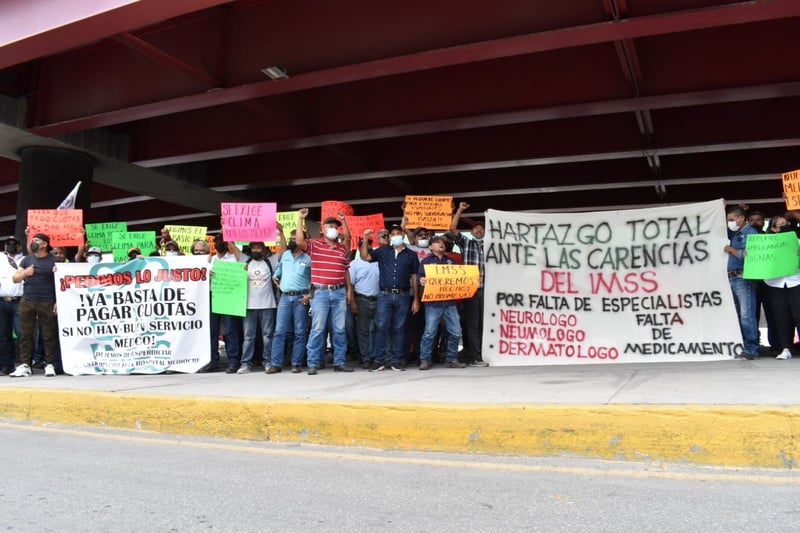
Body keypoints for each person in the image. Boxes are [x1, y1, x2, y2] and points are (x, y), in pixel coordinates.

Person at [296, 209, 355, 374]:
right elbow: (300, 240)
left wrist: (343, 221)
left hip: (339, 292)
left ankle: (339, 362)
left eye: (335, 226)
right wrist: (300, 219)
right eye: (330, 226)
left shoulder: (342, 249)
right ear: (322, 230)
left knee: (340, 329)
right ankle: (313, 363)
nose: (333, 228)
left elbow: (348, 241)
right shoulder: (314, 245)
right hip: (320, 292)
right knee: (318, 328)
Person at [360, 225, 420, 371]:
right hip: (384, 295)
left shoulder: (411, 255)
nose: (395, 236)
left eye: (398, 233)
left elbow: (414, 278)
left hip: (404, 295)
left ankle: (396, 360)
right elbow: (365, 256)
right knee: (381, 327)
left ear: (403, 235)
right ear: (390, 237)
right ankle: (379, 360)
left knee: (399, 328)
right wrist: (366, 238)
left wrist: (416, 299)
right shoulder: (382, 251)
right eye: (392, 234)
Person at [9, 233, 61, 377]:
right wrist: (26, 272)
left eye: (37, 240)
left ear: (45, 244)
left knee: (48, 334)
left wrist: (58, 301)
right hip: (28, 301)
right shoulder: (27, 260)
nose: (34, 242)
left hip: (47, 301)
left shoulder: (54, 261)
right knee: (25, 334)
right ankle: (25, 364)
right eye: (33, 240)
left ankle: (50, 363)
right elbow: (15, 278)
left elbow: (61, 283)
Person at [446, 201, 488, 366]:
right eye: (475, 229)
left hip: (489, 289)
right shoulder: (466, 243)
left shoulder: (493, 245)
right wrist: (459, 211)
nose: (478, 230)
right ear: (471, 232)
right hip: (472, 289)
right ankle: (475, 356)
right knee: (472, 324)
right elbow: (452, 229)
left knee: (486, 323)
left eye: (482, 228)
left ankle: (486, 353)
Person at [266, 230, 312, 374]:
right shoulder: (285, 255)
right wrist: (275, 277)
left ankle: (296, 363)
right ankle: (276, 364)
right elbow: (277, 272)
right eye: (291, 239)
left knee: (300, 332)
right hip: (285, 297)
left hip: (301, 298)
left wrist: (310, 295)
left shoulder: (309, 258)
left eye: (295, 239)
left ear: (303, 241)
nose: (293, 241)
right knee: (279, 331)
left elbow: (316, 279)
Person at [418, 236, 466, 370]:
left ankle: (451, 359)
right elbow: (420, 278)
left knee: (456, 331)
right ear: (430, 247)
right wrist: (421, 281)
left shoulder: (452, 261)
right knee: (429, 332)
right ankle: (425, 360)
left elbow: (460, 278)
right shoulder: (426, 262)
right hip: (433, 303)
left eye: (442, 242)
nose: (441, 244)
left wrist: (472, 279)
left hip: (449, 302)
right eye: (437, 242)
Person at [724, 205, 760, 359]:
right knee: (739, 313)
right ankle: (746, 345)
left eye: (732, 220)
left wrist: (731, 249)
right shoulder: (735, 233)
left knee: (747, 314)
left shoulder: (750, 233)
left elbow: (749, 255)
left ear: (741, 218)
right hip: (733, 277)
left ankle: (752, 348)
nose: (729, 223)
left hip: (743, 277)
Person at [238, 241, 279, 373]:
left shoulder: (270, 261)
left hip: (268, 305)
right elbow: (231, 247)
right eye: (254, 247)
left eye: (259, 247)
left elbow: (283, 249)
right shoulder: (245, 260)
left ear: (263, 249)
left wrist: (281, 232)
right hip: (249, 306)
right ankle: (245, 364)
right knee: (248, 337)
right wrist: (224, 227)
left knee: (267, 336)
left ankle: (268, 362)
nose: (256, 250)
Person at [208, 234, 244, 373]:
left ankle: (233, 361)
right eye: (216, 241)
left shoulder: (234, 257)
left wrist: (229, 239)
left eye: (221, 240)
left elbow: (242, 262)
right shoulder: (210, 259)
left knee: (230, 330)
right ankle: (213, 361)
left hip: (229, 296)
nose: (219, 243)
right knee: (213, 330)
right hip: (214, 294)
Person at [349, 231, 384, 368]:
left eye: (369, 244)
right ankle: (366, 358)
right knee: (363, 331)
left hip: (379, 299)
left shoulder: (378, 262)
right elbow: (350, 285)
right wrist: (352, 303)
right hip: (361, 300)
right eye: (364, 244)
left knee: (378, 329)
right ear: (359, 248)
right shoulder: (354, 264)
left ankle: (376, 357)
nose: (367, 247)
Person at [0, 237, 23, 375]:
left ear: (20, 247)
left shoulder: (25, 260)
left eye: (14, 244)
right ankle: (6, 365)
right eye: (8, 244)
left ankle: (23, 363)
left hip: (19, 301)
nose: (11, 246)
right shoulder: (1, 258)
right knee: (3, 335)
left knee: (22, 334)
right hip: (2, 301)